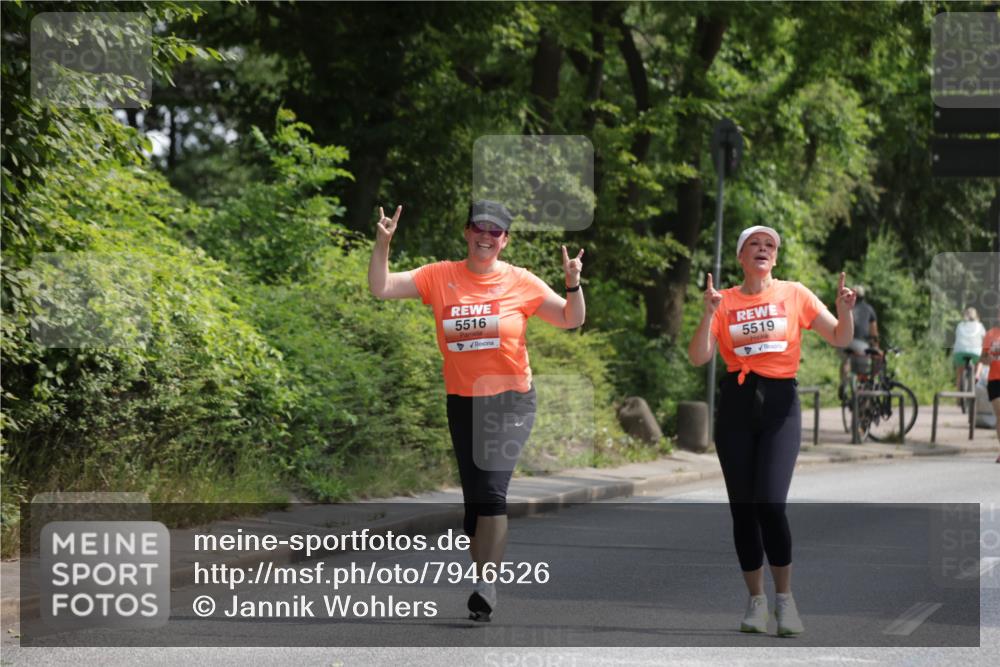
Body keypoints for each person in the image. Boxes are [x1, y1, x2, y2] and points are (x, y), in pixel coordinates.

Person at [368, 200, 586, 621]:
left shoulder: (521, 282)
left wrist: (573, 283)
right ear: (467, 233)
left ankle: (486, 584)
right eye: (479, 229)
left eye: (495, 232)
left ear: (505, 240)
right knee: (475, 506)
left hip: (511, 400)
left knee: (491, 492)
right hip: (463, 400)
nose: (486, 237)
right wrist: (383, 242)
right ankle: (482, 571)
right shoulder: (440, 275)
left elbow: (570, 319)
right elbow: (382, 287)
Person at [687, 225, 856, 637]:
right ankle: (756, 601)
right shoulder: (723, 300)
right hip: (737, 404)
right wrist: (708, 313)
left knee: (771, 503)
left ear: (775, 259)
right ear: (742, 257)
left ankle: (785, 600)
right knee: (743, 508)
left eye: (769, 246)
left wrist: (845, 308)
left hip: (781, 404)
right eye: (753, 245)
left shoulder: (794, 293)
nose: (762, 250)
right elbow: (698, 357)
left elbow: (839, 336)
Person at [839, 285, 879, 395]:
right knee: (864, 369)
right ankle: (863, 390)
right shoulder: (869, 309)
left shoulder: (847, 307)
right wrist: (875, 346)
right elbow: (874, 332)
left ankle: (844, 382)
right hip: (861, 344)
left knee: (846, 360)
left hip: (844, 341)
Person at [981, 308, 1000, 463]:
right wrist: (990, 355)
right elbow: (983, 360)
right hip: (994, 379)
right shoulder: (991, 335)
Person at [953, 307, 986, 397]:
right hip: (975, 352)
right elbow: (985, 340)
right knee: (981, 360)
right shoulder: (980, 325)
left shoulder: (960, 325)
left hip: (960, 352)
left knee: (959, 373)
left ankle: (958, 399)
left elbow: (957, 338)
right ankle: (977, 375)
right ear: (976, 316)